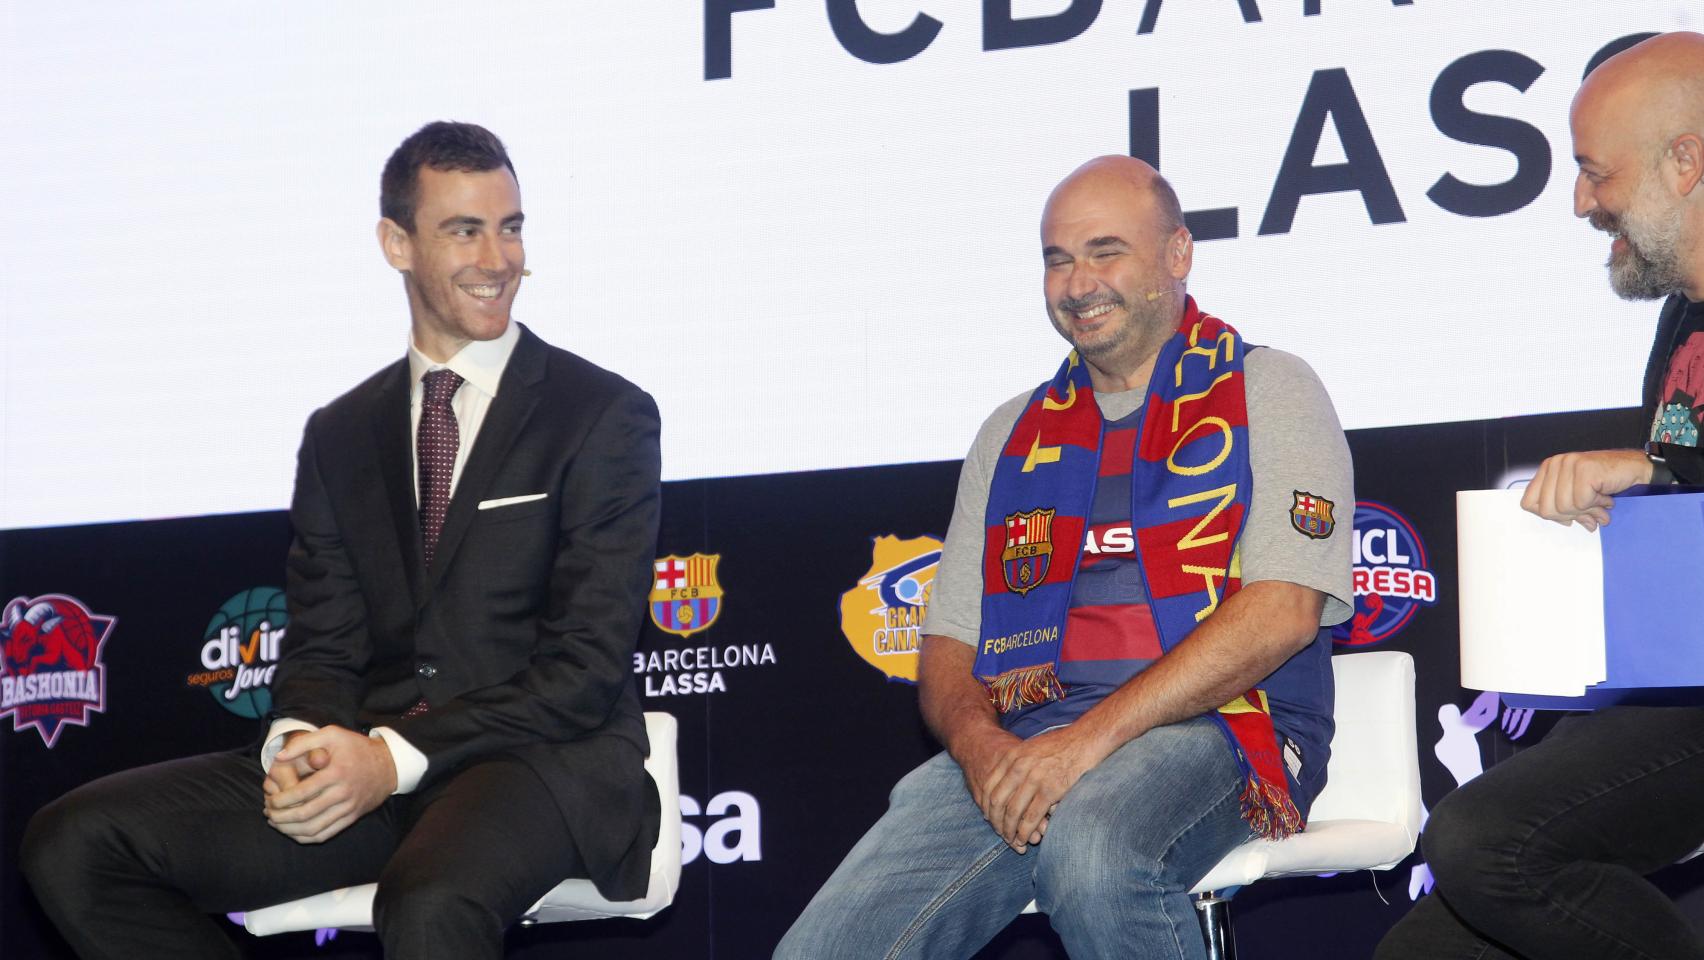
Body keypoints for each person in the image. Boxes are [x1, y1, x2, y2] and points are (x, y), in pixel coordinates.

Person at [21, 121, 662, 960]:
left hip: (539, 768)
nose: (498, 258)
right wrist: (298, 746)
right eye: (465, 230)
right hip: (374, 777)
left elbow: (583, 669)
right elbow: (325, 647)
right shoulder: (340, 434)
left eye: (511, 227)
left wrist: (389, 758)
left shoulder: (603, 414)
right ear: (397, 243)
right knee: (75, 844)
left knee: (429, 899)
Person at [775, 155, 1353, 960]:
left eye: (1105, 250)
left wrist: (1083, 745)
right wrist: (987, 758)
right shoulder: (1012, 435)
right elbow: (948, 648)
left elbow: (1283, 612)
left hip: (1225, 729)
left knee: (1093, 847)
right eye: (1057, 259)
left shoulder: (1271, 388)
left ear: (1178, 254)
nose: (1078, 282)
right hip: (1029, 746)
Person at [1375, 32, 1704, 960]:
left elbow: (1683, 475)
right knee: (1422, 953)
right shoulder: (1686, 312)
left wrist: (1656, 474)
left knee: (1486, 842)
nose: (1580, 201)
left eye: (1596, 173)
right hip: (1680, 677)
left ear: (1687, 162)